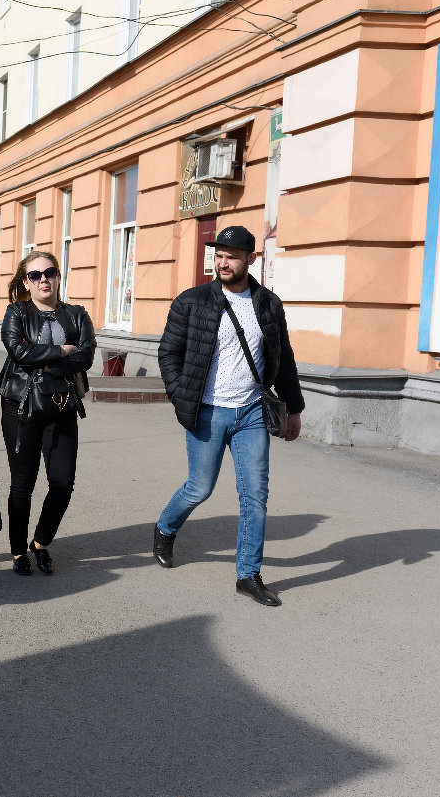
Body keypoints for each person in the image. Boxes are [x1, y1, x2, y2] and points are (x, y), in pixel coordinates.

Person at [154, 225, 305, 607]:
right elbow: (168, 352)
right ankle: (165, 528)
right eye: (218, 255)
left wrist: (294, 408)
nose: (222, 263)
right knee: (199, 488)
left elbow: (283, 358)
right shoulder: (192, 301)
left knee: (255, 495)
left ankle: (248, 574)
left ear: (250, 259)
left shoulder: (269, 304)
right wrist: (180, 395)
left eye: (231, 256)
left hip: (252, 411)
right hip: (207, 410)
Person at [0, 251, 96, 576]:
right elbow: (20, 352)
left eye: (49, 273)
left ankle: (40, 542)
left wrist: (46, 357)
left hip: (61, 405)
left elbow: (86, 357)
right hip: (21, 405)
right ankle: (17, 552)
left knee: (63, 482)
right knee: (22, 483)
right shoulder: (17, 312)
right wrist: (60, 351)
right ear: (26, 281)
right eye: (35, 275)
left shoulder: (77, 314)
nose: (43, 280)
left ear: (57, 275)